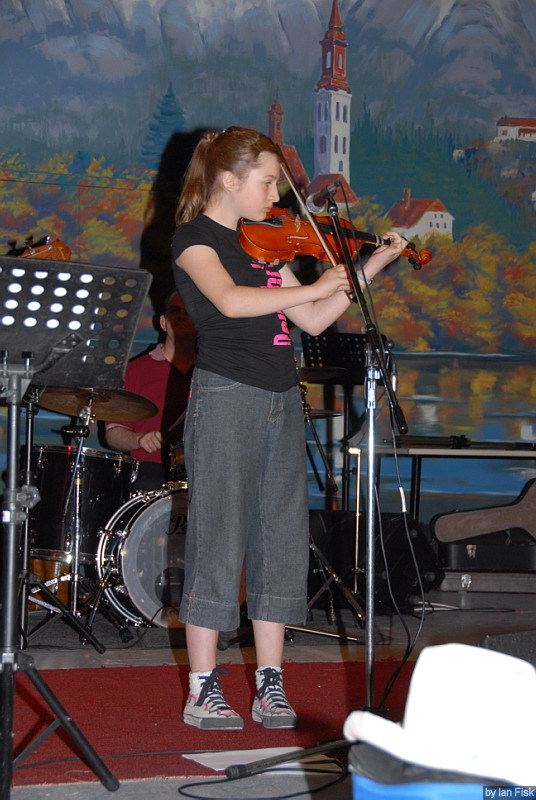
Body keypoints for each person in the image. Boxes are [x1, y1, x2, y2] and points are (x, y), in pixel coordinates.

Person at [171, 125, 407, 731]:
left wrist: (368, 267)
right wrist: (317, 280)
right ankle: (203, 687)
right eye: (268, 182)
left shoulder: (267, 246)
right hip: (226, 395)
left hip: (281, 396)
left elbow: (315, 319)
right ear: (229, 179)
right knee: (219, 536)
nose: (277, 195)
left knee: (280, 537)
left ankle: (270, 682)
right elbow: (230, 302)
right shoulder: (195, 240)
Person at [105, 290, 196, 491]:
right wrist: (139, 438)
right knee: (148, 483)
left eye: (189, 311)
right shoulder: (135, 370)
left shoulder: (213, 373)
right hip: (152, 468)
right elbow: (113, 433)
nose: (182, 317)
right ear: (163, 322)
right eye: (175, 311)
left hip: (204, 467)